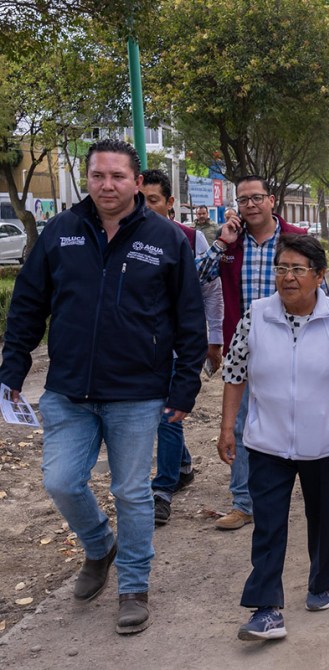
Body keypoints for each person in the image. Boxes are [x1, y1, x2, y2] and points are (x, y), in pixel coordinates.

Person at [0, 139, 207, 634]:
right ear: (88, 179)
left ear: (137, 182)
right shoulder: (60, 232)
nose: (107, 185)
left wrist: (184, 388)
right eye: (98, 176)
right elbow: (28, 304)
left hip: (137, 394)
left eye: (117, 176)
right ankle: (100, 545)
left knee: (132, 492)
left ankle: (133, 586)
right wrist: (11, 370)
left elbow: (189, 319)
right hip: (68, 391)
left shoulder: (166, 239)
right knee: (61, 481)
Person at [218, 234, 329, 640]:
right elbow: (235, 372)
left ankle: (320, 583)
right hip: (267, 442)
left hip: (324, 444)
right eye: (281, 269)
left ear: (319, 276)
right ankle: (266, 608)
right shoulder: (256, 314)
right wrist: (227, 428)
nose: (287, 278)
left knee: (323, 520)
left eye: (298, 270)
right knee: (268, 525)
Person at [197, 174, 310, 531]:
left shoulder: (295, 238)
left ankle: (306, 485)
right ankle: (243, 502)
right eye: (243, 199)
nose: (250, 205)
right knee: (242, 426)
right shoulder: (231, 243)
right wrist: (220, 243)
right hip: (243, 347)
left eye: (257, 197)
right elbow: (198, 277)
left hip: (292, 344)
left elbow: (314, 284)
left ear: (271, 200)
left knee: (297, 416)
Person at [140, 169, 224, 525]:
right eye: (138, 199)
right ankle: (184, 464)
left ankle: (162, 490)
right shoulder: (120, 238)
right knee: (156, 415)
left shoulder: (190, 239)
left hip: (178, 349)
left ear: (170, 203)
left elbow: (211, 292)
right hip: (138, 349)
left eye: (152, 201)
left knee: (167, 417)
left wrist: (213, 341)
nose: (143, 208)